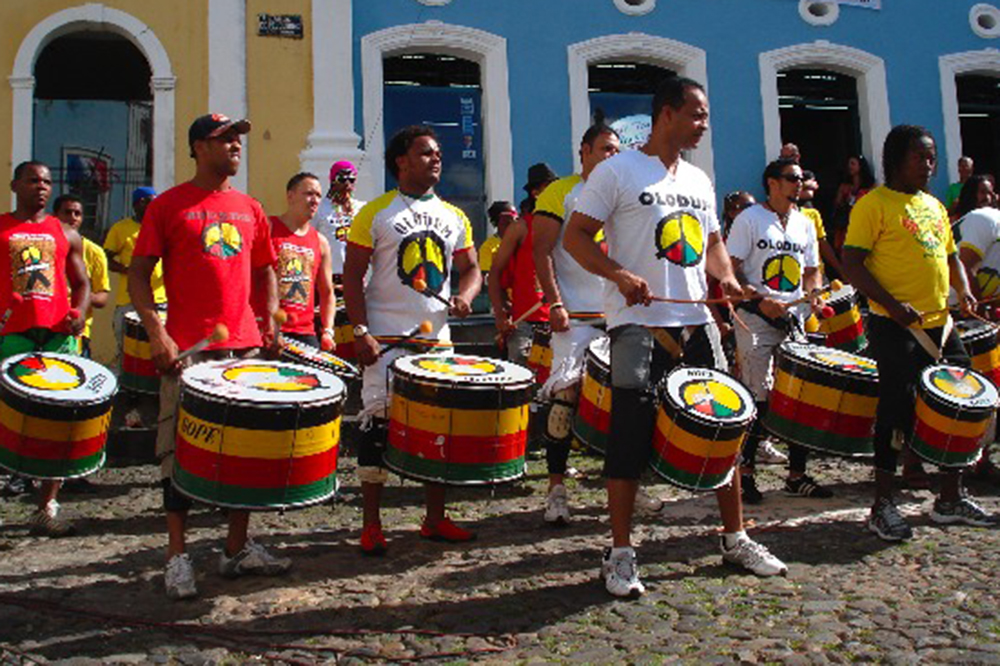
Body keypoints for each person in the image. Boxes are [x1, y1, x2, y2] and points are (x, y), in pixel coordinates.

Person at [565, 76, 787, 598]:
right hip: (636, 326)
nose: (704, 123)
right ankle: (620, 553)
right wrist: (619, 275)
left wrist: (730, 282)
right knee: (628, 439)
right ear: (666, 113)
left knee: (724, 428)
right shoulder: (617, 170)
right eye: (697, 114)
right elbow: (577, 237)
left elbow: (712, 245)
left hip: (695, 325)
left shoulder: (699, 179)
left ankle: (735, 537)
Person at [130, 113, 290, 600]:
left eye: (238, 139)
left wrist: (271, 318)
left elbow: (266, 269)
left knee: (242, 452)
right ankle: (177, 556)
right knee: (178, 454)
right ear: (199, 147)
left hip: (243, 348)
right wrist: (158, 332)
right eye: (224, 140)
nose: (235, 147)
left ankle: (236, 549)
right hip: (187, 353)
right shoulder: (167, 206)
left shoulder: (250, 207)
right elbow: (138, 275)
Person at [842, 124, 997, 542]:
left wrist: (964, 291)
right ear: (896, 160)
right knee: (895, 411)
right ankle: (882, 504)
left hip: (940, 324)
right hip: (895, 327)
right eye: (921, 158)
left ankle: (950, 497)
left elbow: (950, 257)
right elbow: (853, 263)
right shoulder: (873, 205)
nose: (930, 166)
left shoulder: (931, 205)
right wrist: (893, 305)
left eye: (932, 158)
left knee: (961, 406)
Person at [344, 125, 482, 556]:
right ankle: (371, 524)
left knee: (438, 429)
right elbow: (351, 276)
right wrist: (360, 331)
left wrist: (465, 296)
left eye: (438, 153)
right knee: (378, 428)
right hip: (384, 339)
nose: (436, 159)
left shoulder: (455, 216)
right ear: (401, 161)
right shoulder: (376, 213)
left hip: (436, 340)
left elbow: (473, 270)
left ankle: (435, 519)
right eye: (425, 153)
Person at [532, 123, 621, 525]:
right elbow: (542, 249)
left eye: (617, 150)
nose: (611, 157)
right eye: (605, 149)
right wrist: (553, 302)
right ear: (584, 151)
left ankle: (623, 488)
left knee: (628, 404)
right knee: (564, 398)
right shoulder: (560, 192)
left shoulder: (626, 194)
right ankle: (556, 490)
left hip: (620, 316)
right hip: (576, 316)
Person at [728, 158, 828, 504]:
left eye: (800, 178)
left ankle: (797, 475)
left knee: (798, 394)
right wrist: (758, 300)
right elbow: (733, 271)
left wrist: (813, 293)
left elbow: (812, 270)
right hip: (756, 316)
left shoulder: (804, 223)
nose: (798, 184)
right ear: (772, 182)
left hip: (792, 317)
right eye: (790, 178)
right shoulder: (749, 219)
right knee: (757, 395)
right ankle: (745, 474)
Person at [0, 161, 89, 536]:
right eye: (33, 180)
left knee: (57, 421)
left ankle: (46, 506)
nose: (41, 187)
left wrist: (80, 314)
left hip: (56, 336)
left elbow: (82, 283)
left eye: (47, 182)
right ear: (15, 184)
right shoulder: (2, 227)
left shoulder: (66, 234)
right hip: (13, 334)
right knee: (7, 418)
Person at [257, 172, 335, 348]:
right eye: (309, 193)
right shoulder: (268, 228)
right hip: (269, 331)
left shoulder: (320, 242)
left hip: (305, 334)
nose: (314, 200)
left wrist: (328, 330)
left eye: (318, 195)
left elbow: (327, 292)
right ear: (290, 196)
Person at [488, 164, 555, 365]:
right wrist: (500, 314)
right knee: (523, 380)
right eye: (549, 188)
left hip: (560, 320)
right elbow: (495, 274)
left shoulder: (564, 227)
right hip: (525, 322)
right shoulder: (520, 228)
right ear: (535, 193)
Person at [104, 187, 166, 359]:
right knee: (128, 351)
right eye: (151, 202)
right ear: (139, 204)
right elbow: (106, 259)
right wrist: (128, 270)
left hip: (161, 301)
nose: (155, 207)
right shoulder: (120, 229)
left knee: (161, 351)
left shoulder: (162, 228)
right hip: (129, 301)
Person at [52, 194, 110, 358]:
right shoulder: (44, 244)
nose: (73, 218)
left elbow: (103, 297)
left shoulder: (95, 252)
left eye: (77, 214)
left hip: (77, 333)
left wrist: (79, 297)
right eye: (67, 212)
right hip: (43, 328)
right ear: (55, 215)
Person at [312, 160, 366, 287]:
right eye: (342, 179)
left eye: (351, 180)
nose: (347, 184)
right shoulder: (319, 209)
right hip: (328, 275)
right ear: (333, 181)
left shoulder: (362, 208)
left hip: (355, 275)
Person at [797, 170, 844, 279]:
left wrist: (840, 270)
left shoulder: (812, 214)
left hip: (816, 275)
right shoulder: (781, 215)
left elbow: (823, 244)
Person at [831, 155, 876, 253]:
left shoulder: (870, 187)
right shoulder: (844, 187)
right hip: (847, 224)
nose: (850, 167)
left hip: (863, 224)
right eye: (849, 164)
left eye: (853, 164)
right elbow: (837, 204)